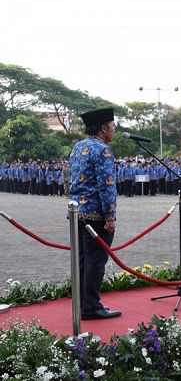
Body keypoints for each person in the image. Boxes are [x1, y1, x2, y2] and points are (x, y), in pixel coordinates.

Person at [68, 107, 122, 320]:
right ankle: (92, 307)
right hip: (96, 217)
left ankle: (84, 303)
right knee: (96, 261)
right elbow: (106, 186)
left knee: (83, 260)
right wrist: (110, 216)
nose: (114, 131)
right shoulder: (103, 150)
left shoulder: (77, 148)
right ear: (103, 128)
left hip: (77, 214)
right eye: (113, 127)